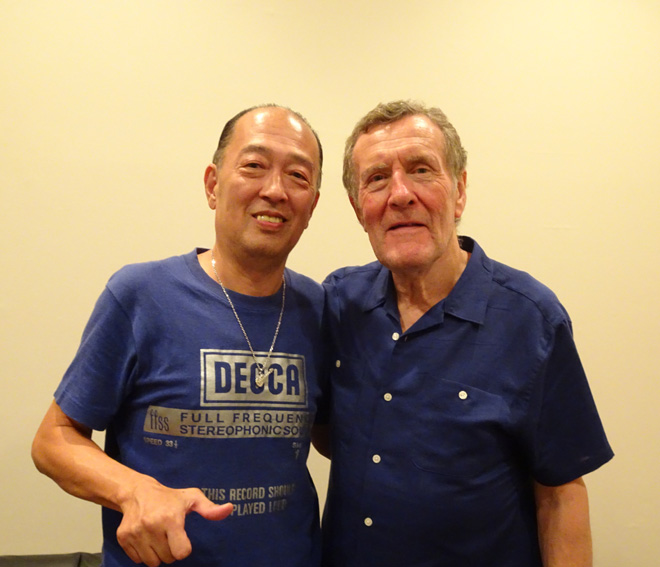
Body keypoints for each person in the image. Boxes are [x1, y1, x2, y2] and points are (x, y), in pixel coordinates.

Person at [314, 100, 614, 567]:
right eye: (377, 178)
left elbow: (560, 494)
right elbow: (324, 432)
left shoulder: (531, 318)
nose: (400, 194)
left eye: (421, 170)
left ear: (460, 190)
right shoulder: (338, 304)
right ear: (358, 208)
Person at [32, 105, 327, 567]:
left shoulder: (319, 309)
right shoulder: (140, 295)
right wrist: (134, 491)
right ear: (213, 184)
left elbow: (334, 435)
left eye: (298, 176)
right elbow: (53, 439)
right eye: (254, 165)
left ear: (312, 205)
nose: (275, 190)